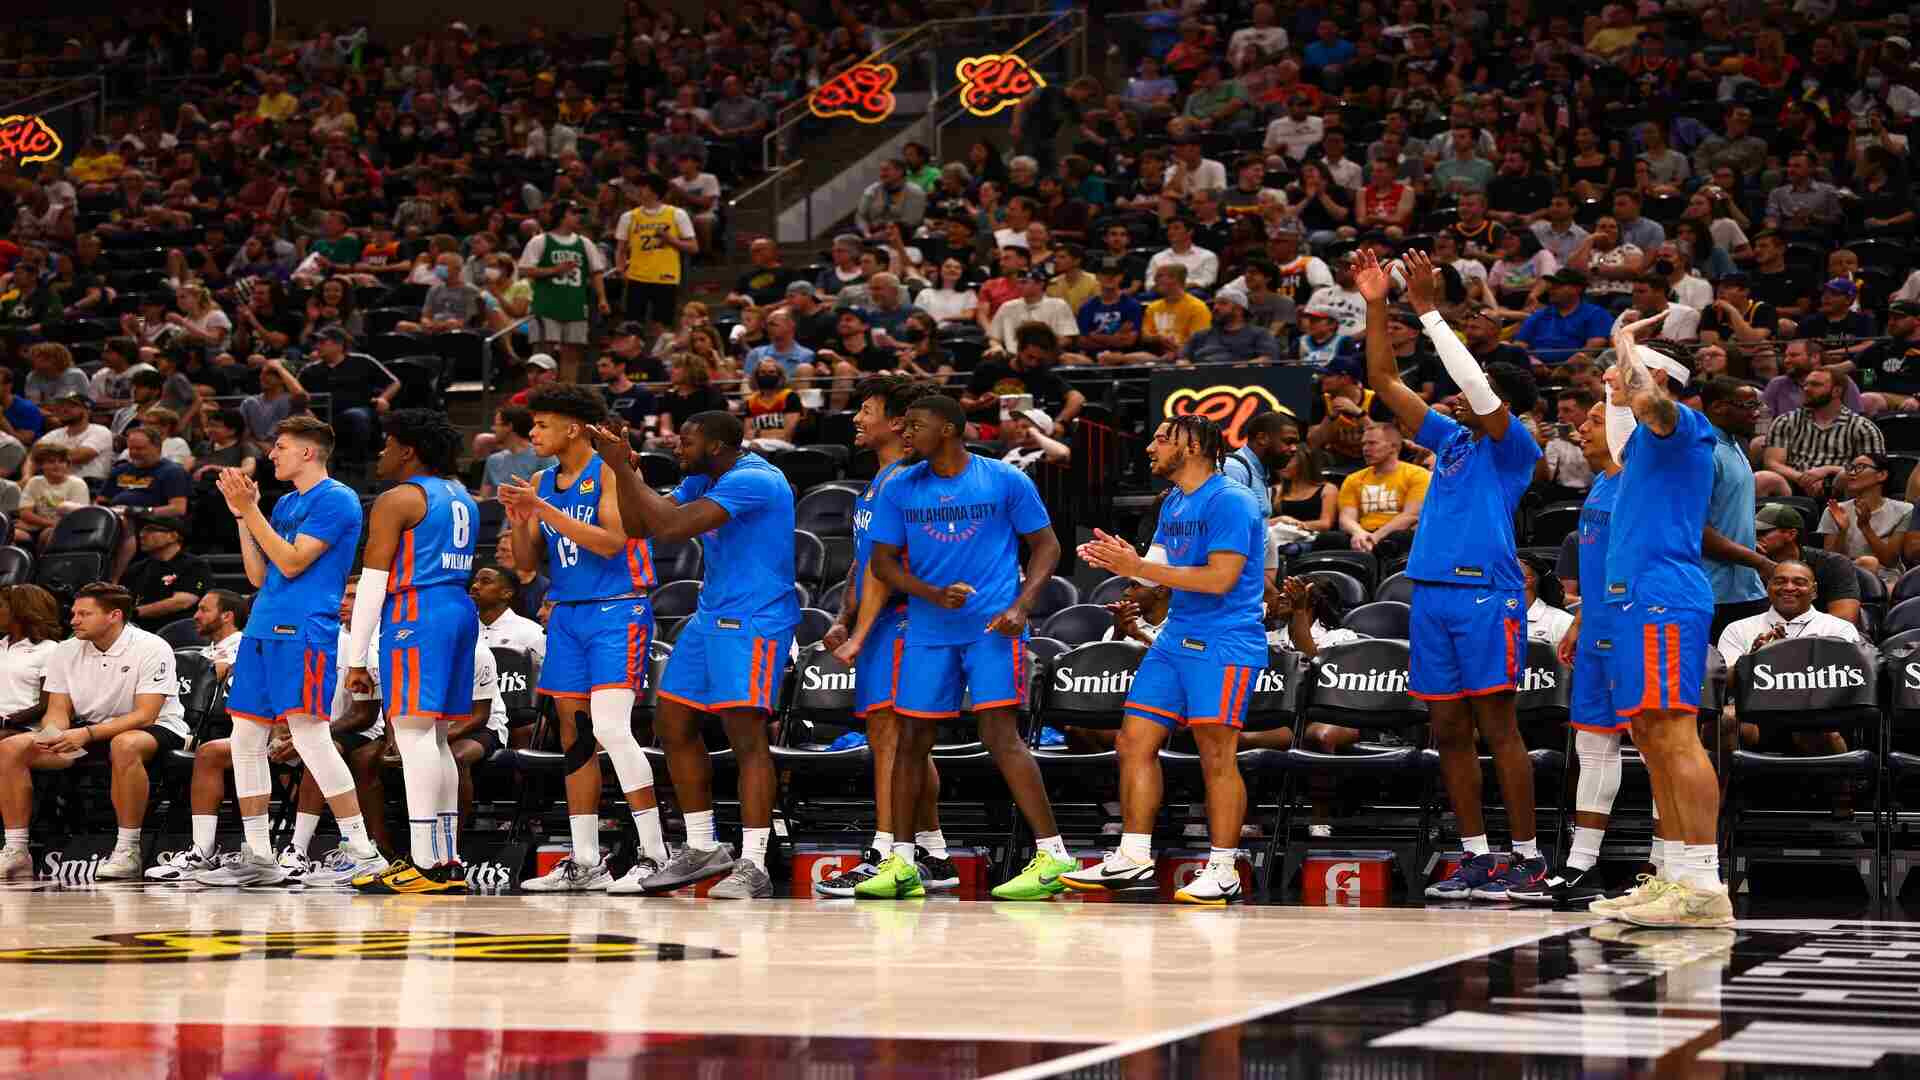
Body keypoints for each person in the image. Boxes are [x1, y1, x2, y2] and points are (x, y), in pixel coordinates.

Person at [1356, 250, 1548, 902]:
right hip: (1432, 593)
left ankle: (1527, 859)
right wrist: (1377, 304)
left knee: (1499, 729)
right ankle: (1476, 856)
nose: (1460, 391)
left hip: (1485, 594)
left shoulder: (1514, 443)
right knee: (1449, 733)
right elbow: (1383, 379)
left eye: (1476, 386)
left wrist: (1430, 313)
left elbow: (1480, 390)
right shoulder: (1452, 439)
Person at [848, 395, 1071, 901]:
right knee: (910, 740)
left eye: (916, 425)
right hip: (928, 630)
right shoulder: (899, 486)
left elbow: (1047, 545)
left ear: (948, 429)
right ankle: (902, 861)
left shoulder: (1004, 479)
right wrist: (931, 594)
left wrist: (1022, 605)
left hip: (992, 628)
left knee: (999, 735)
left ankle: (1053, 854)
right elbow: (881, 564)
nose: (906, 434)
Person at [588, 409, 797, 900]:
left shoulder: (755, 480)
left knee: (746, 737)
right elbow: (640, 526)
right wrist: (626, 471)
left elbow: (672, 528)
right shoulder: (706, 477)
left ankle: (754, 862)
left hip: (756, 618)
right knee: (673, 721)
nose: (676, 448)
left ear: (717, 445)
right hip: (711, 616)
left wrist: (622, 470)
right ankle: (702, 846)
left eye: (686, 441)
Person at [1066, 415, 1266, 905]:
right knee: (1133, 741)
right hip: (1175, 637)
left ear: (1192, 445)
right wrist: (1119, 560)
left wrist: (1138, 565)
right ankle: (1133, 856)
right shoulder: (1174, 501)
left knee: (1216, 753)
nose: (1150, 447)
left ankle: (1223, 869)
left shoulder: (1231, 500)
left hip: (1224, 641)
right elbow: (1155, 574)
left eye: (1161, 439)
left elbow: (1219, 579)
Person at [193, 417, 388, 887]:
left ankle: (362, 850)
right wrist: (242, 516)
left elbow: (294, 561)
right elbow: (259, 575)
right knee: (245, 737)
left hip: (303, 628)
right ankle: (259, 854)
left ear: (307, 452)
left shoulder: (337, 498)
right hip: (262, 625)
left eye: (280, 447)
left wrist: (251, 510)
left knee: (309, 735)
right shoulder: (283, 503)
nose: (271, 455)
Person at [1588, 314, 1733, 929]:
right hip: (1632, 602)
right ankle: (1674, 875)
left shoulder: (1685, 427)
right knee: (1648, 738)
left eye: (1621, 373)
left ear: (1660, 379)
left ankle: (1704, 883)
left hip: (1665, 598)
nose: (1610, 379)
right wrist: (1620, 353)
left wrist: (1627, 345)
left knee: (1676, 736)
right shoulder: (1640, 447)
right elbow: (1625, 412)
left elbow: (1647, 400)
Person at [497, 385, 665, 893]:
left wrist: (542, 510)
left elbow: (612, 542)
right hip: (568, 614)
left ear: (573, 428)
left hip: (618, 607)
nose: (532, 433)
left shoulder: (612, 470)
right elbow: (527, 566)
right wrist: (520, 520)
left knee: (612, 728)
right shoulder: (542, 482)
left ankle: (655, 855)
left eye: (542, 424)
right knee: (576, 738)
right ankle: (586, 861)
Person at [148, 575, 391, 884]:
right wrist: (278, 735)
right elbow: (272, 703)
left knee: (315, 747)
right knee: (214, 751)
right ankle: (208, 851)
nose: (344, 602)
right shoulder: (263, 641)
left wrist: (298, 737)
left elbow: (364, 715)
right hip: (288, 728)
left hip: (344, 730)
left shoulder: (352, 647)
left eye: (353, 597)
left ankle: (300, 849)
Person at [814, 377, 955, 897]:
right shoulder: (879, 482)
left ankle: (887, 852)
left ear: (897, 423)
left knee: (891, 738)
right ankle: (932, 853)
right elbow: (863, 562)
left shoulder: (909, 482)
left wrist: (861, 629)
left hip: (904, 620)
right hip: (883, 623)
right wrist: (843, 616)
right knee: (905, 744)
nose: (856, 418)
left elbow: (892, 567)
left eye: (867, 410)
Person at [1510, 399, 1646, 906]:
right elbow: (1602, 568)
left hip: (1638, 628)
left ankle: (1665, 864)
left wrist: (1619, 385)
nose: (1580, 429)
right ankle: (1580, 866)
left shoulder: (1638, 481)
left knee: (1658, 748)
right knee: (1593, 747)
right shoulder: (1603, 484)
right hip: (1598, 629)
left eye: (1594, 421)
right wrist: (1583, 620)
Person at [339, 411, 480, 895]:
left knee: (413, 732)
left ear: (409, 450)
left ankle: (423, 864)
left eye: (388, 444)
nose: (381, 453)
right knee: (434, 736)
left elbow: (373, 581)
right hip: (458, 607)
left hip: (418, 610)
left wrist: (357, 656)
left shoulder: (399, 498)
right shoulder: (461, 495)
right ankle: (446, 859)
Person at [0, 584, 189, 881]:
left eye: (84, 614)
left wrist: (86, 735)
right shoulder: (65, 650)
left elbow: (145, 714)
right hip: (88, 730)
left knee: (124, 745)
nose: (73, 620)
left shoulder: (152, 646)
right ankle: (17, 851)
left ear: (114, 616)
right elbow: (58, 710)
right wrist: (54, 734)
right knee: (11, 748)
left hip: (155, 728)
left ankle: (127, 850)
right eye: (74, 613)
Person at [1699, 378, 1773, 641]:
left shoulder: (1733, 444)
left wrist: (1748, 542)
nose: (1757, 413)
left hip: (1745, 588)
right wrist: (1761, 563)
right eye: (1749, 405)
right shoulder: (1704, 452)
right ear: (1719, 407)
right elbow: (1696, 530)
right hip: (1713, 593)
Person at [520, 200, 612, 381]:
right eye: (574, 213)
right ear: (561, 216)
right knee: (543, 357)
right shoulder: (540, 241)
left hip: (575, 306)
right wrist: (555, 270)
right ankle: (542, 391)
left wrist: (602, 298)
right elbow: (524, 270)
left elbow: (596, 272)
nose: (579, 217)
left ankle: (567, 391)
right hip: (546, 306)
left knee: (572, 354)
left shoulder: (585, 243)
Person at [1762, 368, 1885, 497]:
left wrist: (1828, 470)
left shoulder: (1863, 427)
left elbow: (1872, 470)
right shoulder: (1785, 421)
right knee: (1764, 478)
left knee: (1850, 476)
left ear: (1836, 391)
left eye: (1815, 385)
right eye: (1805, 384)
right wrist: (1803, 478)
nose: (1806, 389)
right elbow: (1772, 462)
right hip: (1793, 485)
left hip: (1842, 490)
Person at [613, 173, 698, 336]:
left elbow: (693, 247)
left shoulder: (677, 214)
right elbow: (621, 249)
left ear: (654, 190)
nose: (638, 190)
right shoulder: (629, 217)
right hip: (637, 277)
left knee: (662, 326)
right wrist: (621, 269)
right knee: (632, 325)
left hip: (665, 276)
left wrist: (670, 239)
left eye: (642, 187)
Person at [1336, 421, 1428, 556]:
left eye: (1372, 443)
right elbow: (1346, 518)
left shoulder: (1418, 474)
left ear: (1393, 447)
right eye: (1364, 444)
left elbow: (1411, 515)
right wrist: (1359, 533)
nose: (1365, 449)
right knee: (1330, 539)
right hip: (1364, 533)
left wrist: (1375, 537)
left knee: (1403, 538)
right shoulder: (1353, 479)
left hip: (1396, 532)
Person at [1819, 453, 1912, 575]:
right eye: (1850, 468)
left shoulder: (1904, 510)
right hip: (1846, 574)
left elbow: (1890, 561)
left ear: (1881, 475)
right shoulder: (1835, 510)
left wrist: (1865, 527)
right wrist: (1842, 531)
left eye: (1860, 467)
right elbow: (1830, 563)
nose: (1852, 473)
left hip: (1886, 576)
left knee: (1869, 562)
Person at [122, 515, 209, 634]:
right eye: (141, 530)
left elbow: (183, 601)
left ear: (173, 536)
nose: (142, 535)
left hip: (179, 632)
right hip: (138, 631)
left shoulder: (194, 565)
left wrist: (135, 613)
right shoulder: (137, 568)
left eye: (151, 530)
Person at [0, 586, 60, 730]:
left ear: (19, 611)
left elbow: (46, 705)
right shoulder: (1, 644)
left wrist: (6, 722)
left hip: (20, 727)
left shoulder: (50, 649)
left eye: (1, 605)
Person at [471, 567, 547, 667]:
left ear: (506, 593)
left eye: (485, 582)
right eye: (475, 581)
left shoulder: (533, 633)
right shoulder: (460, 627)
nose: (475, 586)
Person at [30, 393, 111, 483]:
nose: (64, 409)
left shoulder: (100, 431)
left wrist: (44, 454)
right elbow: (33, 454)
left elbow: (79, 456)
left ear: (87, 410)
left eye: (71, 406)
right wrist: (27, 477)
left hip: (89, 484)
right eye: (62, 405)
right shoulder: (55, 433)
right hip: (55, 484)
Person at [15, 445, 86, 547]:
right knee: (14, 534)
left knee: (48, 534)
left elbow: (77, 518)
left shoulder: (78, 484)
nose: (57, 465)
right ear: (41, 465)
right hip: (37, 526)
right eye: (51, 462)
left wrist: (42, 525)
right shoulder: (34, 482)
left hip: (66, 529)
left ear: (67, 465)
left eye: (61, 461)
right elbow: (25, 513)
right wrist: (44, 524)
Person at [480, 407, 556, 500]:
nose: (493, 428)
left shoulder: (543, 456)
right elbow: (484, 498)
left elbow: (552, 495)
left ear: (509, 426)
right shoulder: (493, 460)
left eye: (497, 424)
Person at [194, 588, 246, 679]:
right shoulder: (203, 653)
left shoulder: (245, 649)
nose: (196, 616)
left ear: (226, 616)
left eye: (204, 610)